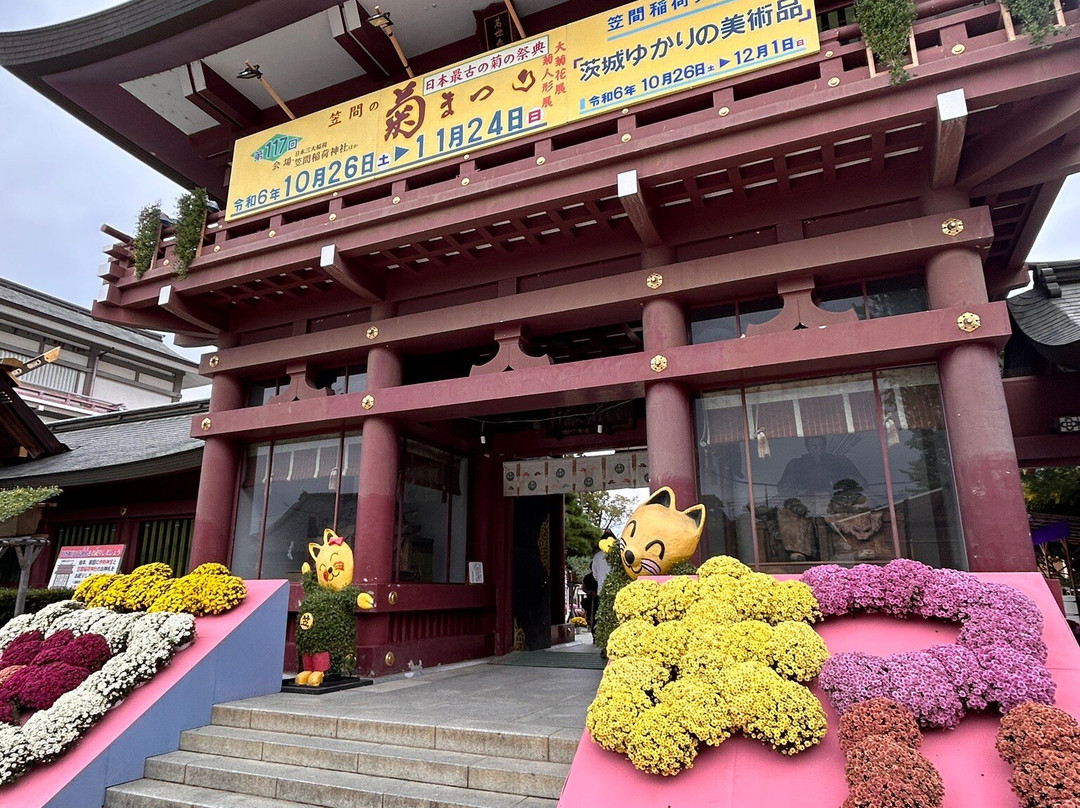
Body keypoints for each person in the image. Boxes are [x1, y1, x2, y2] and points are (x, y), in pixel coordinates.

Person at [776, 436, 868, 561]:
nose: (816, 448)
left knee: (862, 505)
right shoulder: (796, 463)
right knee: (786, 512)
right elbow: (784, 487)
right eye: (813, 445)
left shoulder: (840, 461)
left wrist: (842, 487)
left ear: (824, 446)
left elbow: (860, 482)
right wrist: (800, 491)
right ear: (807, 447)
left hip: (836, 500)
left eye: (819, 445)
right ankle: (798, 551)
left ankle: (855, 549)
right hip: (805, 501)